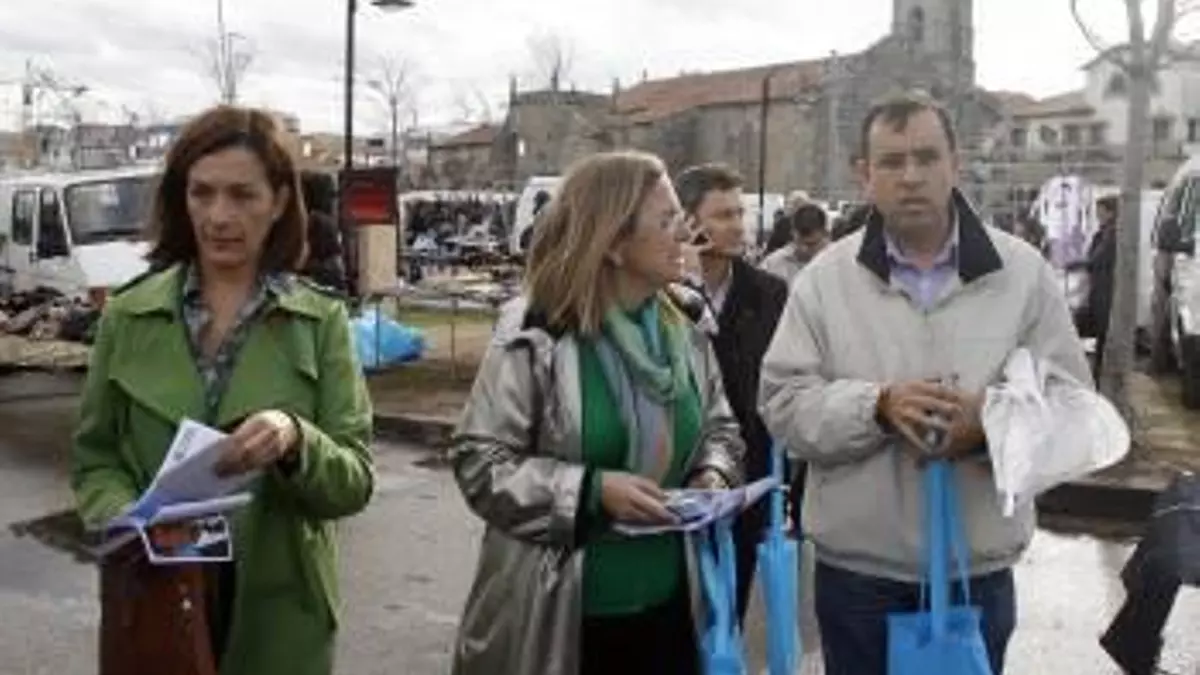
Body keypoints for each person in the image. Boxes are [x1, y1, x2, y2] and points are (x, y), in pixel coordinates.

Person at [759, 92, 1091, 675]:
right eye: (891, 162)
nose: (910, 176)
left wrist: (988, 424)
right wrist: (877, 407)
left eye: (927, 157)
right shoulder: (824, 281)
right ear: (864, 175)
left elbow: (1072, 409)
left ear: (954, 164)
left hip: (976, 576)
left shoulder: (1023, 275)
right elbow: (783, 404)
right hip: (858, 577)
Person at [71, 106, 374, 675]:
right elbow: (95, 459)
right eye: (202, 193)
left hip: (282, 618)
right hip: (157, 603)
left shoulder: (321, 322)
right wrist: (129, 519)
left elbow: (354, 482)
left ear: (278, 201)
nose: (219, 216)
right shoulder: (128, 316)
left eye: (242, 195)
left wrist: (295, 438)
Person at [450, 150, 745, 675]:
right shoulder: (537, 332)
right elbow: (480, 462)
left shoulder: (687, 325)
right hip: (562, 622)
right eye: (667, 221)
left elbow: (720, 427)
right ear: (613, 243)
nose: (687, 233)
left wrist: (713, 474)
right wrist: (589, 491)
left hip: (673, 614)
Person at [673, 162, 789, 624]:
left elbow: (774, 384)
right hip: (677, 475)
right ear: (689, 222)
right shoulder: (665, 293)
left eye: (740, 213)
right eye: (723, 215)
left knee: (728, 617)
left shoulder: (769, 293)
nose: (739, 226)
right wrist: (689, 285)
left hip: (747, 479)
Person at [760, 203, 830, 283]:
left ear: (825, 234)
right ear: (792, 233)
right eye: (799, 242)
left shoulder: (835, 264)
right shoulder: (772, 264)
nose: (804, 249)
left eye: (811, 244)